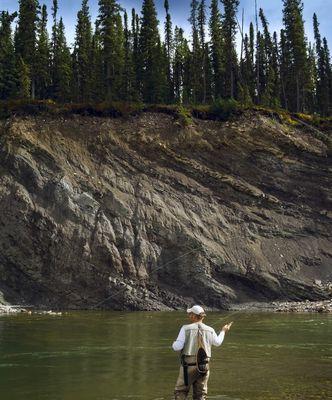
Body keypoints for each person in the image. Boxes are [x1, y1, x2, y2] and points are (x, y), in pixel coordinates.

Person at [172, 305, 233, 400]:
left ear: (193, 316)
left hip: (188, 367)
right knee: (201, 395)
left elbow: (177, 347)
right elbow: (217, 343)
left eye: (190, 314)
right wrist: (223, 331)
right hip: (204, 366)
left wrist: (174, 343)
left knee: (181, 392)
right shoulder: (210, 330)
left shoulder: (185, 328)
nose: (189, 316)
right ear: (202, 317)